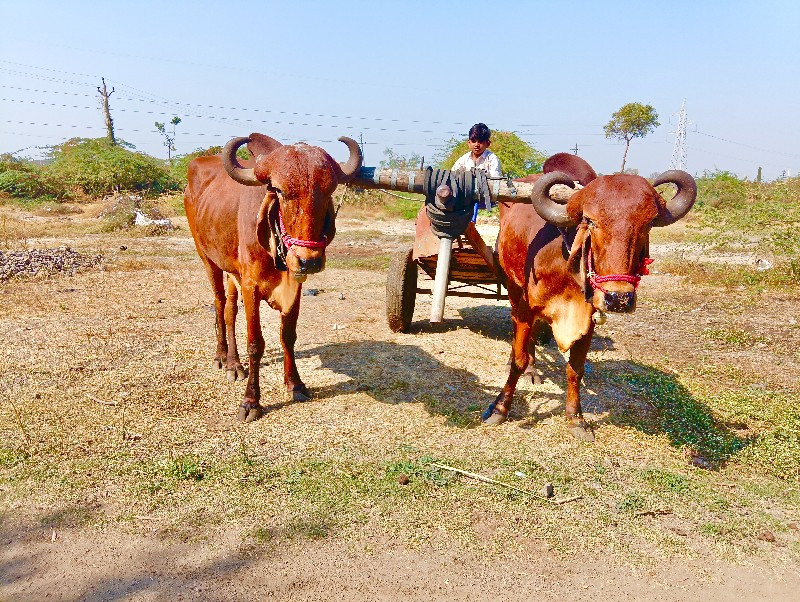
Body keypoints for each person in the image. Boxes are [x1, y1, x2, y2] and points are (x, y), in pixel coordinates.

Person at [451, 123, 502, 220]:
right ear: (468, 142)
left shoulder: (492, 159)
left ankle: (472, 221)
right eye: (473, 141)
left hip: (486, 199)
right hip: (464, 198)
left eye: (481, 141)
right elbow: (452, 175)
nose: (477, 145)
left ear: (488, 143)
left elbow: (496, 180)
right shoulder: (464, 159)